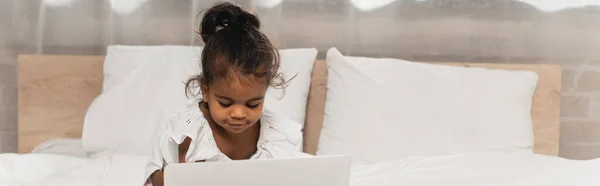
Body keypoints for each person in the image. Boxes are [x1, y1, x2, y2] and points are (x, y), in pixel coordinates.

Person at [144, 2, 304, 186]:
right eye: (225, 103)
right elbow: (159, 177)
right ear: (205, 90)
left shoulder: (275, 133)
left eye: (253, 104)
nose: (238, 114)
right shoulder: (189, 131)